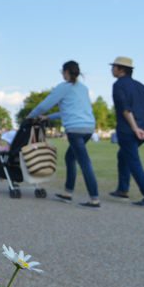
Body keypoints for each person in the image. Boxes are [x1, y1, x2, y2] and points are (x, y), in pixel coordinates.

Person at [28, 60, 100, 209]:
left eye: (62, 71)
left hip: (75, 130)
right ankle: (67, 193)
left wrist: (30, 116)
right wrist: (48, 117)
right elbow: (68, 111)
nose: (62, 73)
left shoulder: (63, 87)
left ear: (67, 71)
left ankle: (94, 200)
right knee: (70, 157)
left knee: (84, 162)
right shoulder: (83, 88)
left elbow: (44, 105)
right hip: (88, 128)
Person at [107, 56, 144, 209]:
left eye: (113, 67)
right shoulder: (141, 86)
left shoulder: (118, 85)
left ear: (121, 69)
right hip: (142, 131)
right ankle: (123, 190)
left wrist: (134, 128)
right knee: (122, 156)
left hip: (128, 130)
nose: (112, 70)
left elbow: (125, 108)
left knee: (134, 163)